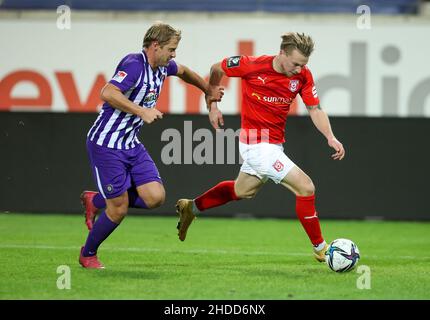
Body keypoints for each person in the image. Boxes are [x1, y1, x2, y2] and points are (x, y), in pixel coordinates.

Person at [176, 32, 345, 262]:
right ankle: (321, 248)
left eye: (303, 65)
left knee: (243, 190)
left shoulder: (303, 75)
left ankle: (191, 208)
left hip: (274, 144)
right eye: (295, 63)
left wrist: (330, 137)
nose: (299, 69)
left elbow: (314, 109)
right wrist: (212, 103)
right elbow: (217, 68)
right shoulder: (252, 65)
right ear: (282, 53)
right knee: (306, 187)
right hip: (256, 145)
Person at [79, 22, 222, 269]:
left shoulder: (162, 66)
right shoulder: (134, 64)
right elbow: (108, 92)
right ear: (155, 46)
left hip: (130, 143)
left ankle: (97, 200)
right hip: (106, 144)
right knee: (119, 207)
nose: (174, 54)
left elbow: (184, 71)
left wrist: (207, 89)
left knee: (155, 197)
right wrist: (140, 110)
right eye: (171, 48)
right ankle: (87, 254)